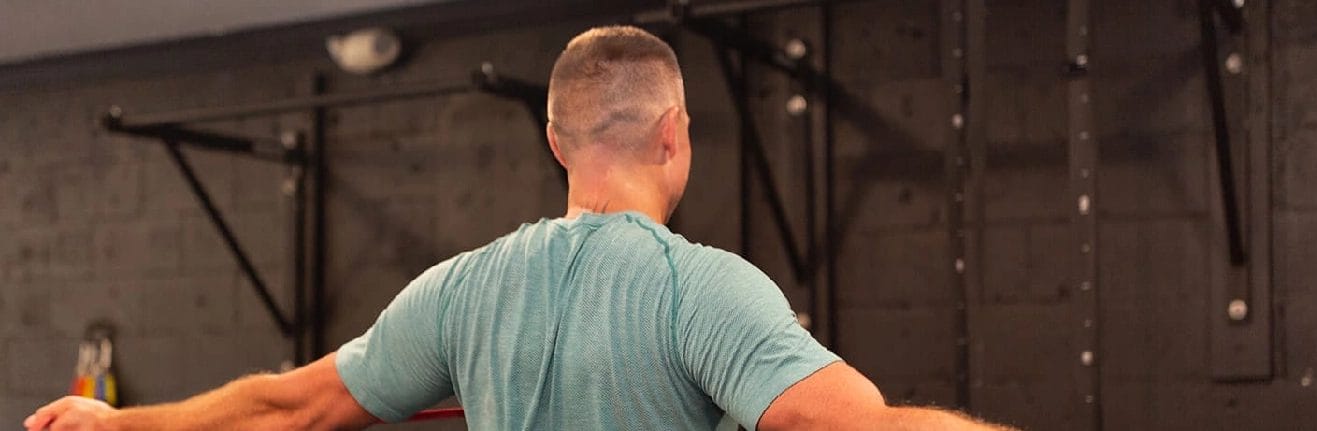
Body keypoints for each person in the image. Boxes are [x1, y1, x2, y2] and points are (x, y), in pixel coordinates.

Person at [23, 26, 1013, 431]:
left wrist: (122, 422)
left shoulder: (459, 289)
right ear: (675, 133)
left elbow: (290, 406)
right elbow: (850, 424)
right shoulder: (702, 288)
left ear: (552, 139)